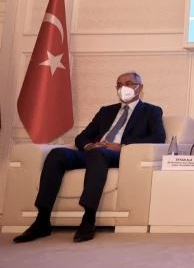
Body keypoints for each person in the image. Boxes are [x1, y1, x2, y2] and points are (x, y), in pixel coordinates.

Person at [14, 71, 166, 243]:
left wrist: (122, 146)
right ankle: (42, 220)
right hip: (94, 152)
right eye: (119, 84)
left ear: (140, 87)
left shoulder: (151, 111)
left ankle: (88, 219)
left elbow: (158, 137)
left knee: (97, 154)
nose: (123, 88)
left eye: (129, 83)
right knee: (57, 154)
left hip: (120, 155)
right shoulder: (106, 111)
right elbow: (82, 137)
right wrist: (89, 145)